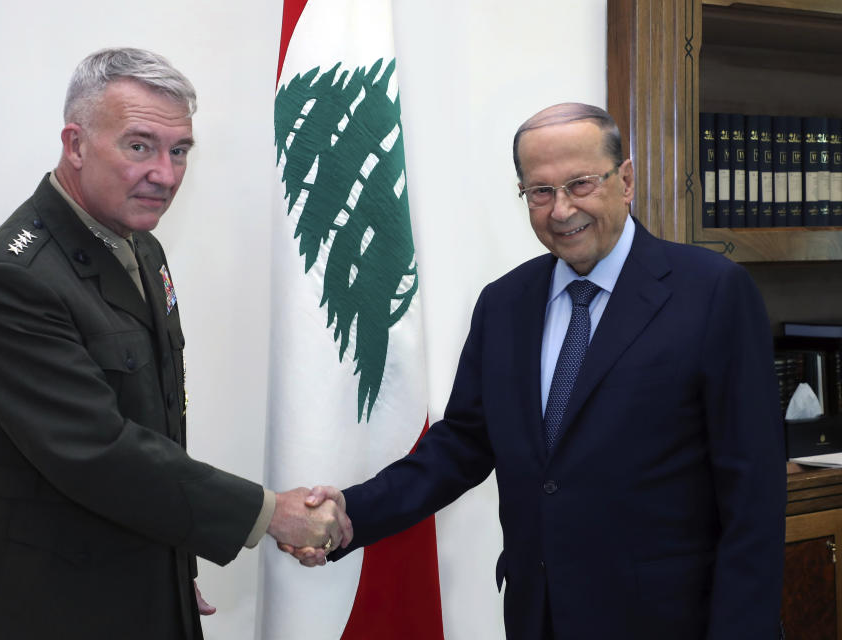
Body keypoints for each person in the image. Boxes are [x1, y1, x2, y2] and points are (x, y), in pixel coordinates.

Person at [288, 103, 786, 639]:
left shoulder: (712, 292)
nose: (561, 209)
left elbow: (753, 495)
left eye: (580, 184)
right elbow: (462, 444)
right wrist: (348, 514)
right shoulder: (504, 304)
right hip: (538, 616)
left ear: (626, 180)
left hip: (668, 621)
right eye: (540, 192)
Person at [0, 47, 349, 640]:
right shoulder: (11, 280)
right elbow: (99, 451)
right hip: (48, 608)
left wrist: (168, 566)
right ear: (75, 144)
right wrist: (270, 514)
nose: (165, 173)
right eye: (139, 146)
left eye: (179, 151)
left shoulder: (137, 245)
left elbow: (152, 426)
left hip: (141, 583)